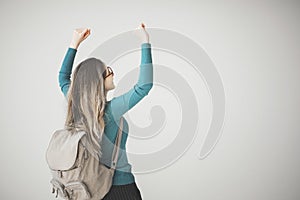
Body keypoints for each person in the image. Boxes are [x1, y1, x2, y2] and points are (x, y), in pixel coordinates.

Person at [58, 24, 153, 200]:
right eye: (108, 71)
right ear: (97, 81)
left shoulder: (76, 105)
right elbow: (144, 86)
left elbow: (63, 77)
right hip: (120, 189)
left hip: (88, 190)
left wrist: (74, 44)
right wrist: (145, 41)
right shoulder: (111, 110)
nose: (112, 73)